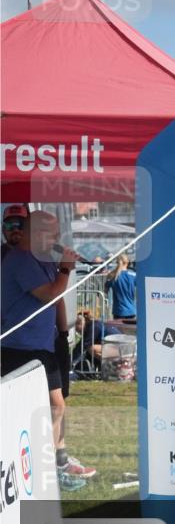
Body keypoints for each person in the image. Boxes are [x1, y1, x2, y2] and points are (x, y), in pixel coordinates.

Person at [1, 210, 95, 491]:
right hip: (20, 347)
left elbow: (56, 301)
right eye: (51, 234)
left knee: (55, 405)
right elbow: (50, 295)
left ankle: (57, 461)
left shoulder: (37, 260)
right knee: (48, 406)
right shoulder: (19, 260)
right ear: (35, 233)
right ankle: (47, 464)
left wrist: (62, 333)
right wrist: (65, 267)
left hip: (42, 344)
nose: (56, 239)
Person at [104, 254, 137, 322]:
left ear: (117, 262)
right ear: (127, 262)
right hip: (131, 310)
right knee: (129, 332)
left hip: (118, 310)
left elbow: (105, 291)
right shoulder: (133, 275)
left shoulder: (112, 276)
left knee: (118, 332)